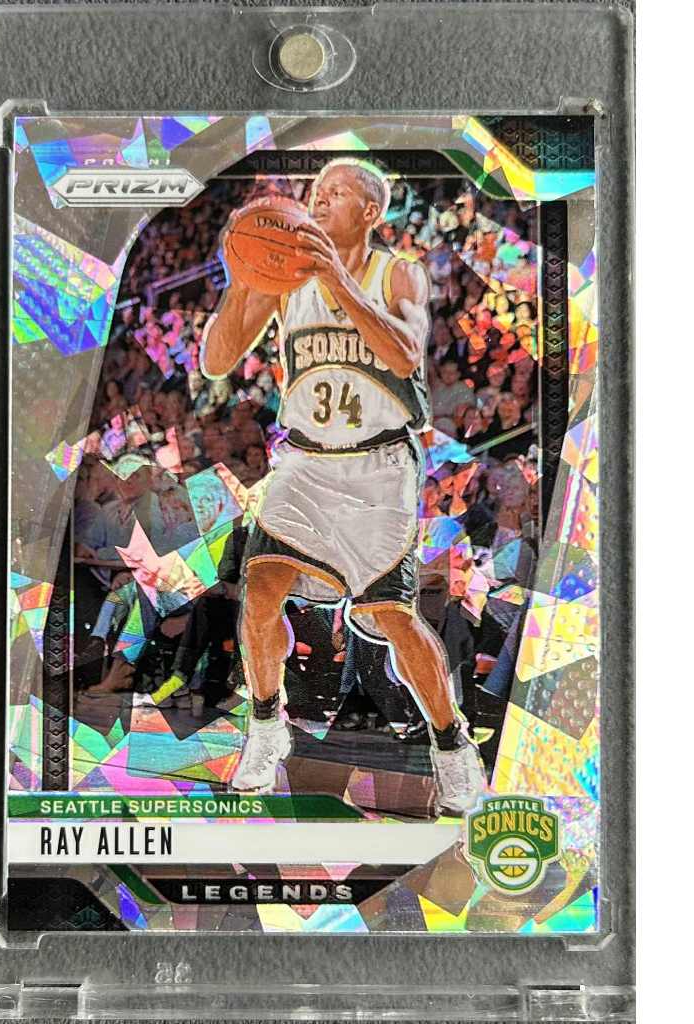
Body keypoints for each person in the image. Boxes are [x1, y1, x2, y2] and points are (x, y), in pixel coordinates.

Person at [200, 158, 486, 815]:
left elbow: (404, 355)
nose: (321, 200)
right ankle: (266, 727)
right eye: (316, 192)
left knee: (392, 618)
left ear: (370, 212)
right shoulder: (285, 278)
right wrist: (242, 281)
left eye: (337, 193)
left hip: (380, 467)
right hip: (304, 463)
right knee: (261, 590)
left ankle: (452, 745)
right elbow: (215, 361)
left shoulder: (398, 273)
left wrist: (337, 278)